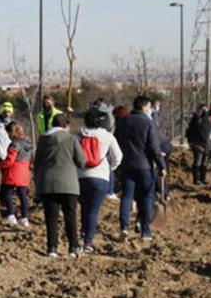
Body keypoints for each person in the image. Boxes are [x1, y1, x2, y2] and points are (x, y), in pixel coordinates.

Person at [34, 113, 86, 257]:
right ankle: (73, 247)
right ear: (66, 125)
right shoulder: (71, 139)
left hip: (48, 183)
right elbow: (81, 161)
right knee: (70, 216)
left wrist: (37, 184)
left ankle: (52, 248)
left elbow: (37, 163)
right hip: (69, 184)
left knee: (51, 217)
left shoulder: (43, 140)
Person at [114, 96, 167, 240]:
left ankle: (124, 227)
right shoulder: (148, 123)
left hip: (126, 165)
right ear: (145, 107)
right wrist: (161, 165)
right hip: (144, 166)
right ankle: (145, 230)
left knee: (126, 196)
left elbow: (116, 142)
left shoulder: (122, 122)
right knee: (146, 197)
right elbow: (154, 147)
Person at [77, 107, 123, 253]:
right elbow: (118, 157)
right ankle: (88, 242)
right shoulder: (107, 136)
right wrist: (110, 169)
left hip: (81, 176)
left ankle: (83, 234)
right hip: (101, 177)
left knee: (84, 207)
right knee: (93, 210)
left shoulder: (78, 136)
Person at [0, 122, 34, 228]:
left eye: (8, 133)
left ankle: (11, 215)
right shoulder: (29, 143)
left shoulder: (15, 144)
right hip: (24, 172)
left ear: (12, 132)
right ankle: (24, 218)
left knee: (7, 194)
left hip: (13, 172)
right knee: (23, 195)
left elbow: (9, 161)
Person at [186, 104, 211, 186]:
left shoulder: (207, 119)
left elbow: (208, 130)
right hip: (196, 143)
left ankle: (203, 178)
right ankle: (196, 179)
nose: (204, 111)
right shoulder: (194, 119)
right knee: (198, 160)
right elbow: (191, 129)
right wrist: (197, 115)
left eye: (205, 109)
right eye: (202, 110)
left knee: (204, 162)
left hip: (205, 143)